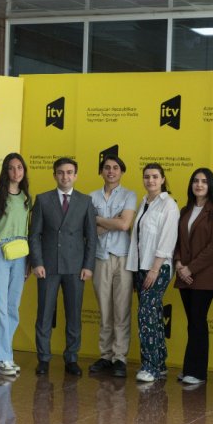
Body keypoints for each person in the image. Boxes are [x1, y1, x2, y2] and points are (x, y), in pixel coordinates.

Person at [29, 157, 98, 377]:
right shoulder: (42, 199)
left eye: (69, 172)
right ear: (54, 175)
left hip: (76, 268)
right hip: (48, 267)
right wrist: (37, 262)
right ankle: (43, 358)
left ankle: (72, 358)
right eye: (61, 172)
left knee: (74, 315)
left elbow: (91, 237)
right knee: (44, 314)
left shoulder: (85, 201)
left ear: (75, 176)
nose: (65, 176)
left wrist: (88, 266)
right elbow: (34, 235)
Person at [126, 163, 179, 383]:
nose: (151, 180)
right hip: (141, 266)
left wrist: (155, 269)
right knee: (154, 314)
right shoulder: (144, 203)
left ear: (163, 179)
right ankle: (160, 362)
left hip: (158, 268)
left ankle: (150, 367)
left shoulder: (169, 205)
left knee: (146, 314)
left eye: (155, 176)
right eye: (147, 177)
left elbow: (168, 239)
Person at [174, 168, 213, 386]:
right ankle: (190, 368)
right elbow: (178, 241)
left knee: (197, 322)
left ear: (210, 185)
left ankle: (197, 372)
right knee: (192, 323)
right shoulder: (185, 210)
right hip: (184, 274)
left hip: (204, 276)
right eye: (196, 181)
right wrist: (178, 263)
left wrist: (190, 269)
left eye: (204, 181)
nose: (199, 184)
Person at [88, 155, 136, 378]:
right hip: (100, 258)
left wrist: (99, 219)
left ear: (121, 172)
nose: (111, 171)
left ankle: (119, 358)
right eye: (107, 167)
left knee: (121, 310)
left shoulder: (129, 195)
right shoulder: (91, 197)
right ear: (101, 172)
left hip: (123, 259)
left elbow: (124, 224)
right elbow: (91, 231)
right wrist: (112, 222)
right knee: (105, 310)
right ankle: (105, 355)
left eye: (116, 168)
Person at [0, 153, 31, 377]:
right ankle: (1, 358)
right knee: (0, 306)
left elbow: (28, 229)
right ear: (6, 171)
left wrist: (29, 261)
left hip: (21, 254)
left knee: (13, 306)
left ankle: (7, 354)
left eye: (19, 168)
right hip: (0, 252)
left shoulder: (26, 197)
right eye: (11, 168)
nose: (16, 172)